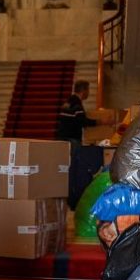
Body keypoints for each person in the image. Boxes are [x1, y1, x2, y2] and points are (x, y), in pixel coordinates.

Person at [56, 80, 103, 210]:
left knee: (67, 169)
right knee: (74, 169)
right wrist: (100, 122)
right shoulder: (76, 104)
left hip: (63, 138)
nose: (88, 93)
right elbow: (82, 121)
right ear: (83, 91)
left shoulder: (68, 101)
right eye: (88, 90)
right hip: (72, 140)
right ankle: (73, 197)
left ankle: (68, 195)